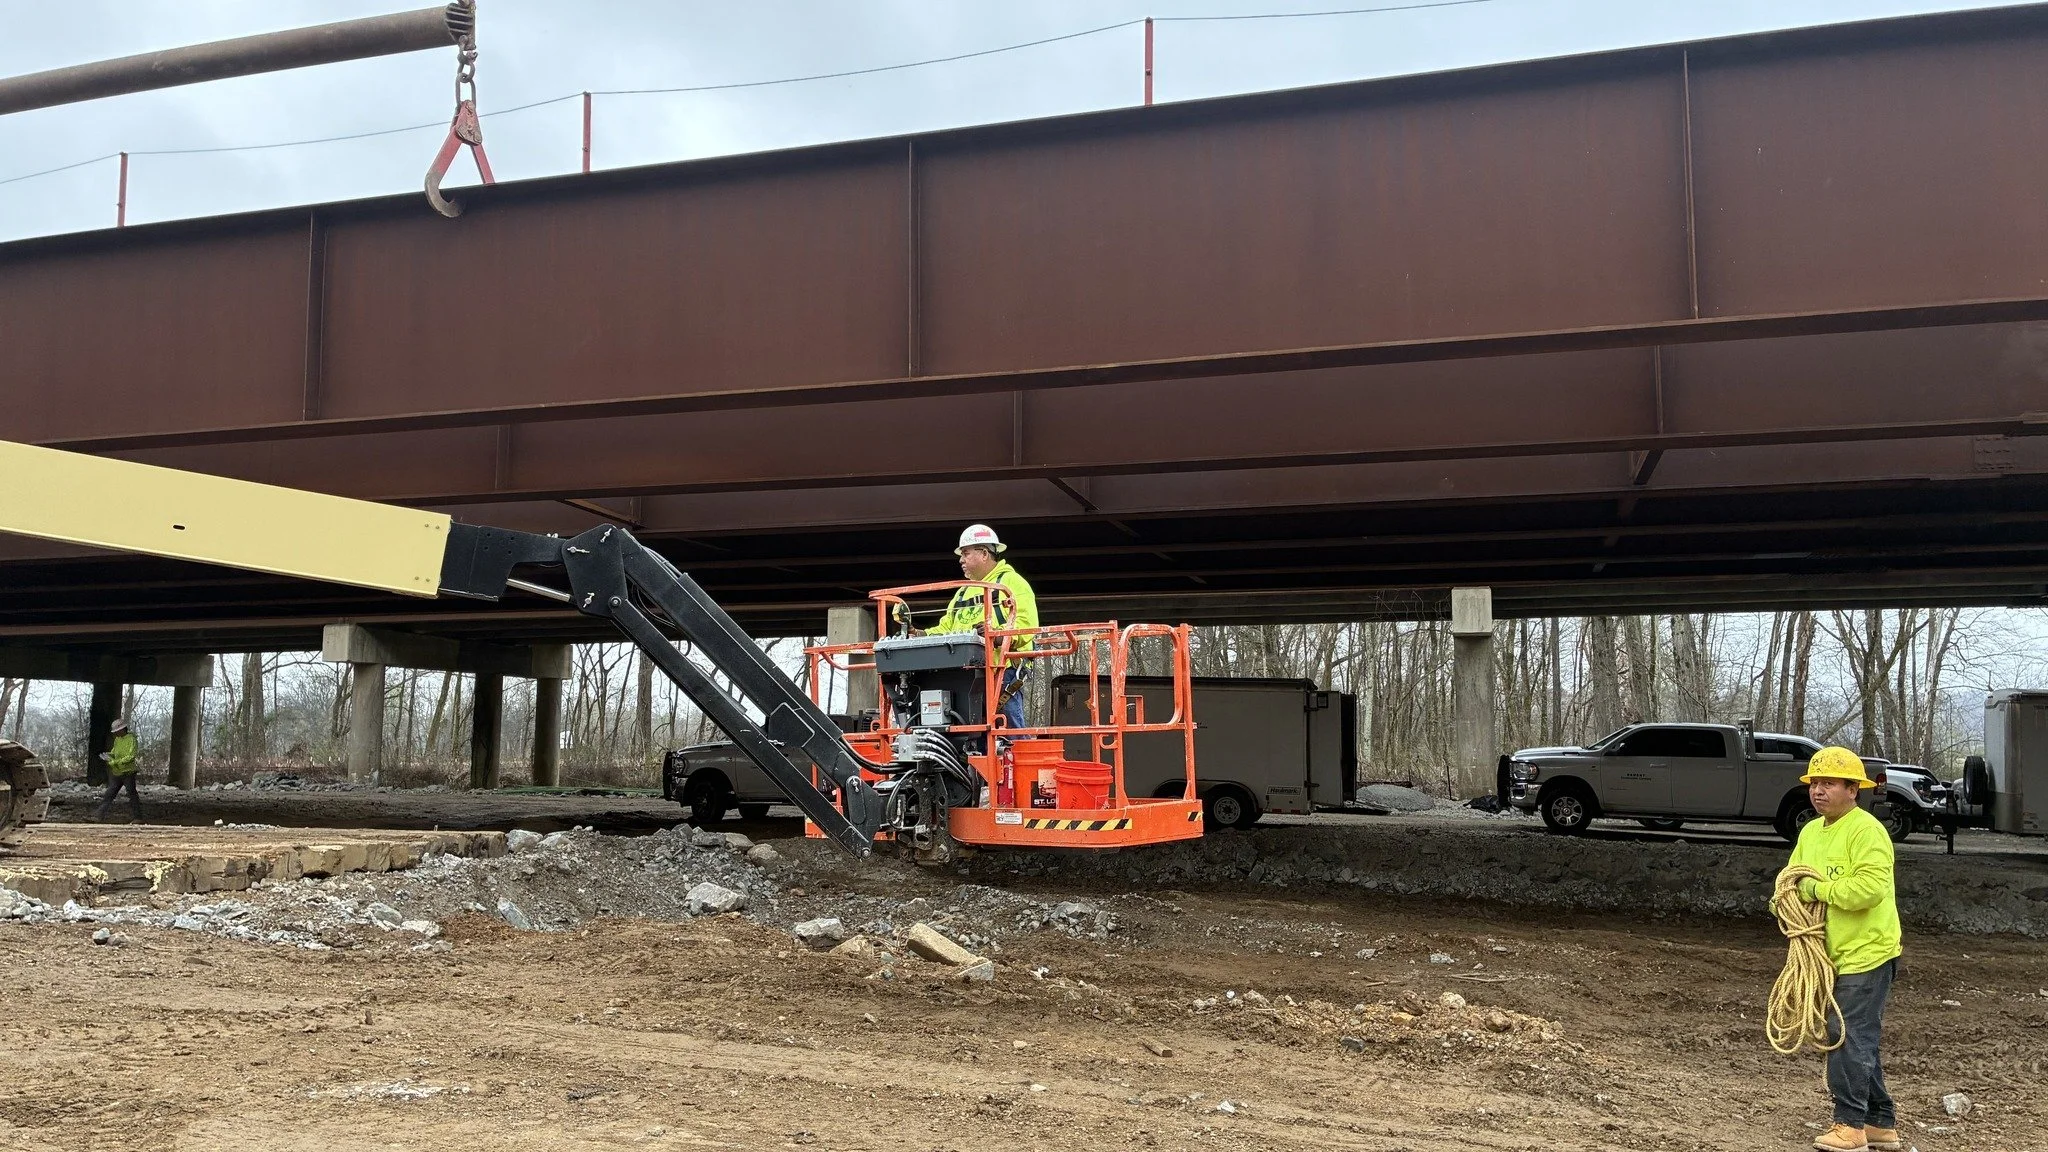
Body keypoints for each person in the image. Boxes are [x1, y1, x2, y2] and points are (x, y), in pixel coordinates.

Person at [1788, 746, 1903, 1152]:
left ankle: (1850, 1126)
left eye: (1828, 784)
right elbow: (1791, 879)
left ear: (1854, 789)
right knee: (1856, 1036)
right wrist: (1782, 900)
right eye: (1814, 783)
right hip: (1830, 953)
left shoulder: (1866, 831)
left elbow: (1869, 890)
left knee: (1847, 1036)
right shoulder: (1810, 831)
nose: (1818, 791)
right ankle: (1880, 1124)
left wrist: (1817, 890)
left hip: (1867, 952)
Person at [924, 524, 1038, 733]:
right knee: (967, 735)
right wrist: (921, 635)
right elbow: (947, 628)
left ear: (984, 553)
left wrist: (995, 636)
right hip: (965, 674)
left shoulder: (1012, 583)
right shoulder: (962, 592)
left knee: (1007, 733)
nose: (961, 560)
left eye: (966, 553)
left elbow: (1026, 626)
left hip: (1002, 673)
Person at [95, 717, 143, 822]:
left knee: (132, 795)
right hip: (116, 772)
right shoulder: (117, 740)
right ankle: (98, 816)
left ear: (122, 729)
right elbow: (114, 752)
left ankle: (138, 817)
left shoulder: (131, 739)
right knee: (109, 794)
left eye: (117, 731)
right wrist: (108, 755)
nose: (115, 734)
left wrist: (115, 762)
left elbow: (130, 756)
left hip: (128, 773)